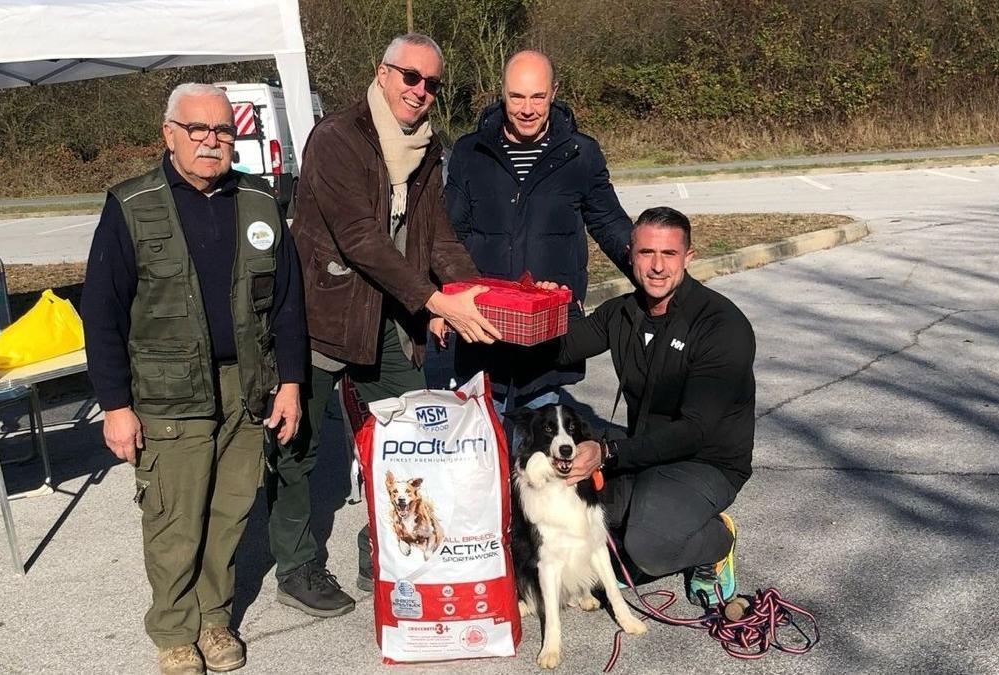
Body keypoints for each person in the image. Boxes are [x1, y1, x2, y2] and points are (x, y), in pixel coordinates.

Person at [269, 32, 500, 616]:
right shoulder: (337, 138)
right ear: (382, 73)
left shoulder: (427, 145)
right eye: (409, 77)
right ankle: (296, 567)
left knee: (408, 444)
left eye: (431, 83)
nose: (419, 91)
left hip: (388, 319)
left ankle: (385, 545)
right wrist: (435, 303)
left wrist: (473, 292)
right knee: (300, 447)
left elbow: (438, 236)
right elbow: (360, 241)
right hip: (325, 315)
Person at [82, 82, 306, 675]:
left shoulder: (258, 201)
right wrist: (115, 405)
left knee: (230, 512)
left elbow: (287, 301)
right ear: (169, 135)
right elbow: (101, 312)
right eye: (198, 130)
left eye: (224, 131)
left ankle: (213, 620)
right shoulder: (133, 205)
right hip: (166, 394)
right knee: (175, 518)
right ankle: (175, 630)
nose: (212, 142)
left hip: (246, 386)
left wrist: (290, 383)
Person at [553, 206, 755, 607]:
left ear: (688, 257)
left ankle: (716, 542)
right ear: (631, 255)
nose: (657, 267)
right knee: (568, 516)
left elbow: (696, 429)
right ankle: (648, 528)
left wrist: (608, 453)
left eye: (669, 254)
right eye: (647, 253)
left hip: (705, 463)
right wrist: (539, 309)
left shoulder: (721, 326)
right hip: (644, 453)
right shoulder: (622, 313)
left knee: (648, 547)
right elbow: (562, 349)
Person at [444, 49, 632, 414]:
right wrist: (441, 304)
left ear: (554, 92)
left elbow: (609, 223)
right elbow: (451, 234)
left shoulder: (580, 153)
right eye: (516, 96)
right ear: (501, 93)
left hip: (549, 324)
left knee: (538, 453)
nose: (527, 108)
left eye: (537, 96)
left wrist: (648, 264)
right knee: (485, 446)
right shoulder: (470, 152)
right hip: (484, 323)